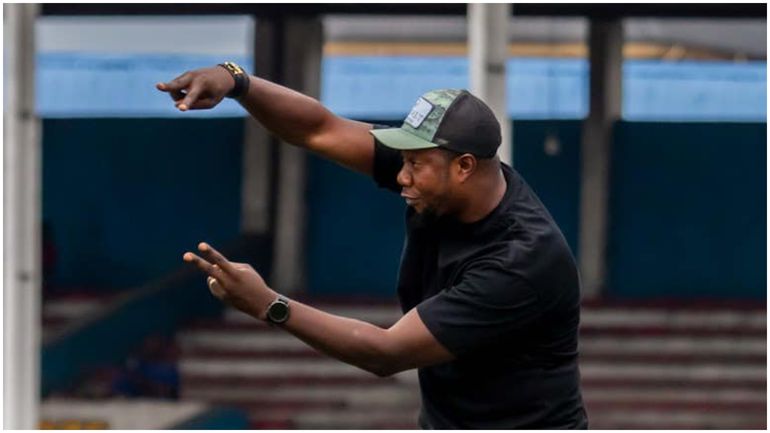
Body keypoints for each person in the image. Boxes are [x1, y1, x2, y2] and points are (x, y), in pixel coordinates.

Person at [157, 62, 588, 429]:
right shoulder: (447, 180)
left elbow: (386, 353)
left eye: (415, 165)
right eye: (402, 161)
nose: (401, 176)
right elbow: (319, 129)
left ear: (464, 167)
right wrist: (236, 80)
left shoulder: (522, 260)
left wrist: (270, 304)